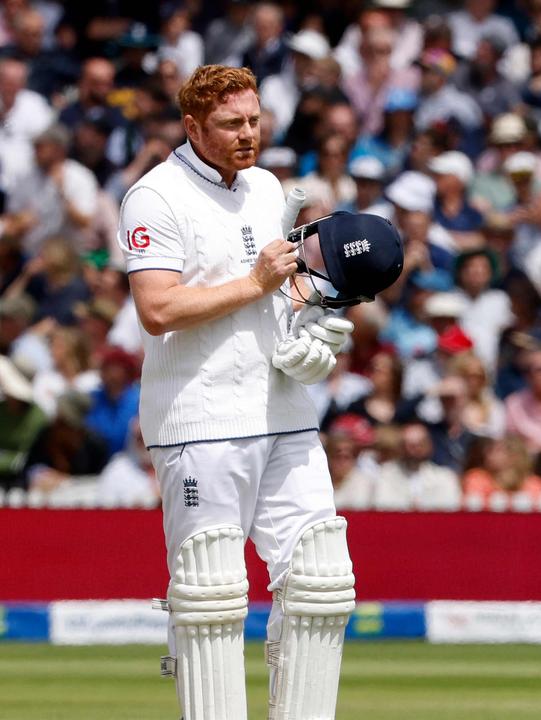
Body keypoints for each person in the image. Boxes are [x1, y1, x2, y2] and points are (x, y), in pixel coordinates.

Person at [117, 66, 362, 720]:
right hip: (199, 419)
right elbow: (159, 308)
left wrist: (309, 329)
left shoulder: (265, 188)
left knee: (321, 579)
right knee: (210, 594)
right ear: (193, 126)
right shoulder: (155, 195)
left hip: (282, 411)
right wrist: (257, 283)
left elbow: (283, 289)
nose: (247, 134)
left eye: (253, 120)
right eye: (231, 124)